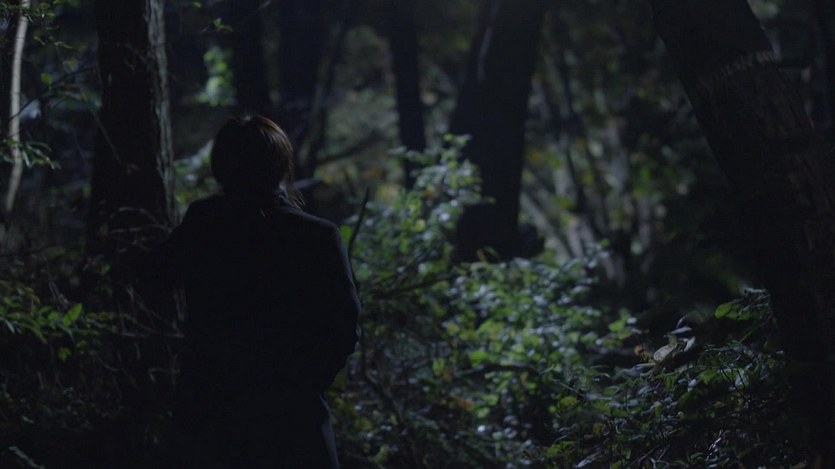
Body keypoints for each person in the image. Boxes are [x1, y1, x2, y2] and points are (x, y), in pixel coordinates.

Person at [155, 115, 360, 468]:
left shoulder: (205, 222)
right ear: (281, 165)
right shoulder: (317, 236)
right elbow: (344, 326)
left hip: (210, 412)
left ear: (222, 166)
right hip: (292, 418)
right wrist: (305, 385)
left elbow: (157, 276)